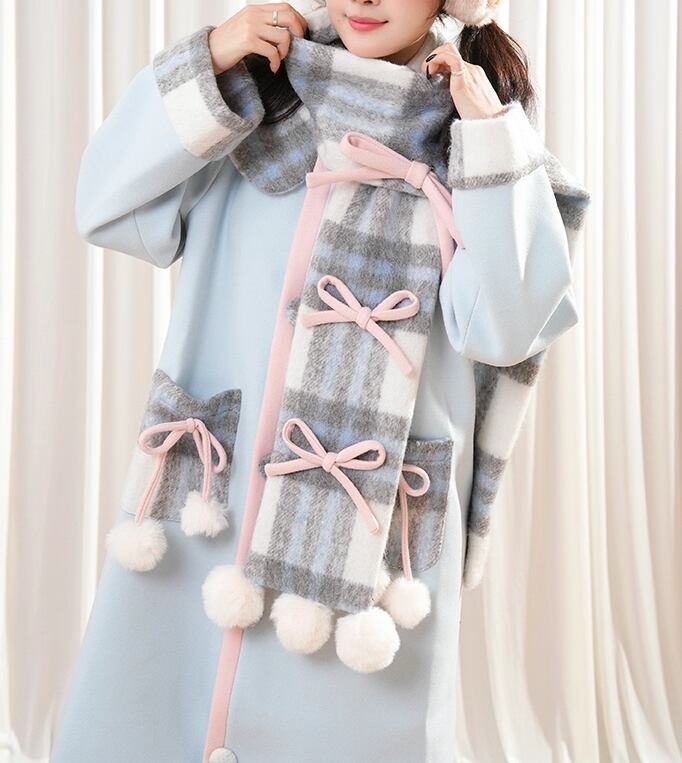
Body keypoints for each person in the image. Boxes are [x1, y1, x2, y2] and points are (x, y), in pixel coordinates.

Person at [50, 1, 591, 761]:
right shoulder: (259, 100)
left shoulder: (476, 143)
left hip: (372, 539)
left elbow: (505, 329)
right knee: (151, 713)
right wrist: (208, 60)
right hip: (210, 504)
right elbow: (105, 206)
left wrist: (491, 136)